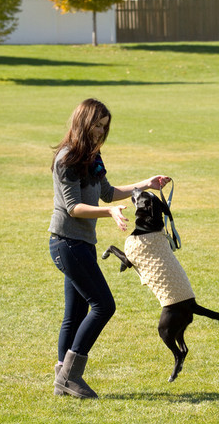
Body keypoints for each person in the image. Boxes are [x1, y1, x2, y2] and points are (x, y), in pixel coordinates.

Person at [48, 98, 169, 399]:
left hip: (83, 244)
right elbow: (74, 207)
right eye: (97, 125)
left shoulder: (93, 155)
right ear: (82, 122)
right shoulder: (67, 159)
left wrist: (146, 184)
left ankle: (62, 376)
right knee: (104, 305)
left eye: (105, 127)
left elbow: (106, 192)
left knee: (74, 313)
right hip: (66, 243)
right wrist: (110, 212)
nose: (101, 132)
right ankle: (70, 377)